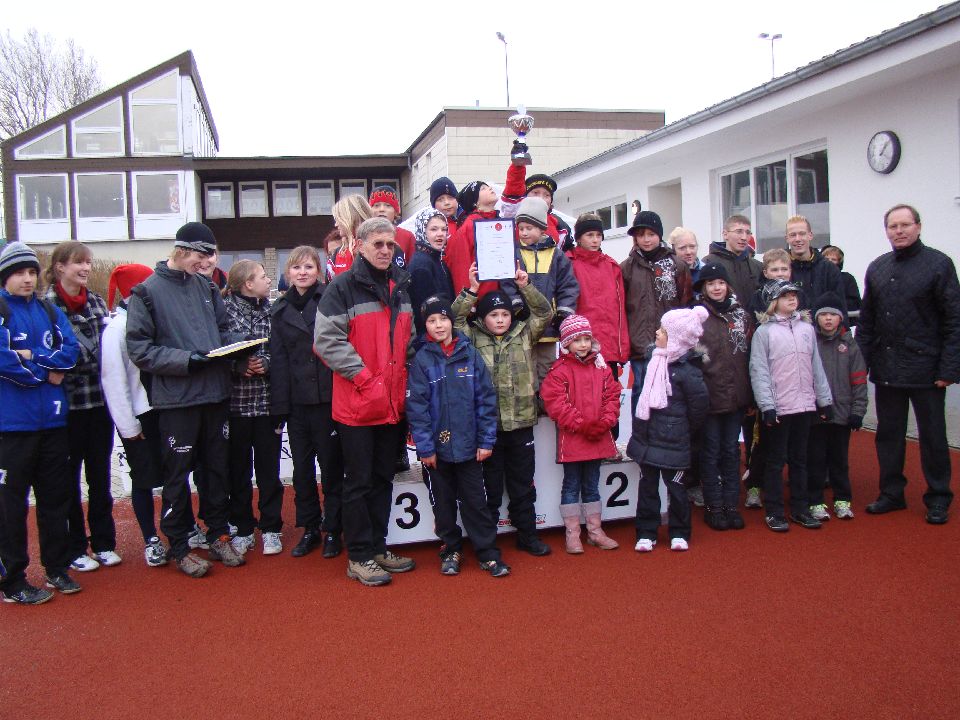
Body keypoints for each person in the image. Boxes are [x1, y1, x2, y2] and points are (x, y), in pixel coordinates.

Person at [126, 222, 248, 577]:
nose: (206, 263)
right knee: (177, 476)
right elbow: (140, 349)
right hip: (177, 399)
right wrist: (185, 360)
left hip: (215, 393)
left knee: (217, 470)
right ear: (181, 251)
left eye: (210, 256)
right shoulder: (146, 292)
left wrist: (242, 346)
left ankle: (218, 534)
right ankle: (179, 545)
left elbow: (221, 332)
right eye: (201, 256)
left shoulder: (206, 288)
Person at [314, 217, 417, 586]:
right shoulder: (340, 288)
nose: (385, 250)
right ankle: (358, 555)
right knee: (357, 482)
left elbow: (408, 339)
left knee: (382, 479)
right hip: (358, 405)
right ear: (359, 246)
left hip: (390, 404)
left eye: (390, 244)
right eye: (378, 244)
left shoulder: (400, 286)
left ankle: (377, 546)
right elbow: (327, 341)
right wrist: (365, 380)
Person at [858, 204, 960, 524]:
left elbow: (954, 320)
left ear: (918, 226)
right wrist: (861, 365)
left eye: (905, 225)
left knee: (933, 437)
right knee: (888, 435)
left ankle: (938, 497)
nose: (899, 231)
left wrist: (949, 369)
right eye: (893, 226)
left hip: (927, 369)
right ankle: (891, 494)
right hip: (887, 367)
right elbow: (867, 322)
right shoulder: (877, 267)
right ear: (886, 230)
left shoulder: (939, 264)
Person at [453, 263, 554, 557]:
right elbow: (454, 319)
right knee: (490, 488)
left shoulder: (525, 334)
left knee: (523, 485)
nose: (500, 320)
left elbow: (544, 313)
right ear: (483, 317)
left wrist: (525, 286)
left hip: (521, 424)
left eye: (505, 314)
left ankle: (527, 536)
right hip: (488, 430)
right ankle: (487, 543)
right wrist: (472, 291)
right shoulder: (472, 338)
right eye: (494, 315)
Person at [0, 242, 81, 604]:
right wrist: (45, 372)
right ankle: (13, 580)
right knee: (11, 507)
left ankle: (56, 567)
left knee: (54, 500)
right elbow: (4, 359)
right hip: (12, 427)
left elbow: (71, 353)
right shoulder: (2, 311)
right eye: (19, 273)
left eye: (32, 272)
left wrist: (34, 356)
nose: (27, 279)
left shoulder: (49, 310)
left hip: (52, 423)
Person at [406, 296, 509, 577]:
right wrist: (425, 448)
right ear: (425, 325)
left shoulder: (470, 354)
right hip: (436, 452)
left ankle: (487, 552)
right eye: (432, 320)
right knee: (443, 504)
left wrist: (486, 441)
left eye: (443, 318)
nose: (439, 325)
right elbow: (417, 409)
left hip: (469, 448)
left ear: (452, 321)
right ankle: (451, 549)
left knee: (476, 503)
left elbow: (486, 400)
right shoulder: (422, 360)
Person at [44, 241, 118, 573]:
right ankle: (75, 546)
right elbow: (55, 357)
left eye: (88, 262)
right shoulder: (46, 306)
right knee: (68, 480)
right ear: (60, 266)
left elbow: (107, 352)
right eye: (79, 262)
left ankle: (104, 542)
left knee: (100, 476)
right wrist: (72, 362)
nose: (86, 268)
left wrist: (74, 362)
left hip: (99, 403)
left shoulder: (98, 302)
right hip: (66, 408)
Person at [271, 246, 344, 559]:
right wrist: (280, 408)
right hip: (297, 404)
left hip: (328, 399)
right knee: (301, 471)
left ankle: (334, 528)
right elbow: (278, 361)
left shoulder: (330, 299)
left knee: (331, 468)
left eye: (309, 267)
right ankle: (310, 527)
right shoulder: (279, 309)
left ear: (318, 271)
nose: (302, 273)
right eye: (297, 267)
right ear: (288, 273)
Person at [749, 279, 833, 532]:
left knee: (800, 459)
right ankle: (774, 511)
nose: (792, 299)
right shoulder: (764, 333)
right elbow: (759, 371)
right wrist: (767, 405)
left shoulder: (807, 329)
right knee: (775, 461)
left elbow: (816, 366)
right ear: (773, 301)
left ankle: (800, 508)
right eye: (785, 295)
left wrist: (824, 400)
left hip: (804, 405)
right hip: (779, 407)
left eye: (794, 294)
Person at [101, 263, 169, 567]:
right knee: (143, 478)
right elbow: (114, 381)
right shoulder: (117, 329)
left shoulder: (156, 319)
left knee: (174, 475)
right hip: (140, 417)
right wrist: (128, 426)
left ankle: (177, 528)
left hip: (164, 410)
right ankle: (150, 539)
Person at [628, 307, 710, 552]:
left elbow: (698, 408)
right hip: (647, 437)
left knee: (677, 489)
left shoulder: (689, 371)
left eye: (663, 331)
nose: (657, 332)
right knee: (647, 487)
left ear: (675, 338)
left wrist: (679, 428)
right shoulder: (653, 360)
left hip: (675, 441)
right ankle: (646, 532)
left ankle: (679, 531)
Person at [541, 315, 621, 554]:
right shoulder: (559, 370)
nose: (583, 344)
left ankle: (595, 532)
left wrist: (605, 422)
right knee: (571, 485)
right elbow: (555, 403)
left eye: (587, 339)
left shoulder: (602, 368)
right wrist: (582, 425)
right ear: (567, 343)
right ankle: (573, 534)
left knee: (592, 485)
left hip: (597, 437)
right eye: (577, 340)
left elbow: (612, 396)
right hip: (574, 438)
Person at [222, 260, 284, 557]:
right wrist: (237, 366)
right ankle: (243, 527)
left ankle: (271, 528)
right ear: (248, 283)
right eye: (262, 276)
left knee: (269, 471)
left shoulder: (272, 312)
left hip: (266, 406)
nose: (268, 280)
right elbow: (214, 351)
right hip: (234, 407)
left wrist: (266, 364)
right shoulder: (223, 312)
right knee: (238, 472)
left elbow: (279, 350)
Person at [695, 263, 755, 531]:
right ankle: (714, 507)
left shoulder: (742, 315)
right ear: (704, 287)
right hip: (709, 397)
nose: (716, 288)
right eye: (711, 283)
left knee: (731, 451)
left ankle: (731, 505)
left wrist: (750, 395)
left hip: (737, 396)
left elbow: (751, 356)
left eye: (720, 282)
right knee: (710, 452)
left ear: (727, 285)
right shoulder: (696, 316)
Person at [566, 212, 629, 441]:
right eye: (589, 235)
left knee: (609, 398)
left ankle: (611, 443)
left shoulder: (611, 266)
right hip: (580, 345)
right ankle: (585, 446)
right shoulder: (569, 263)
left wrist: (622, 347)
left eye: (598, 235)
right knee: (583, 400)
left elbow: (620, 310)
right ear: (578, 238)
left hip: (607, 348)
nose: (594, 240)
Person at [505, 196, 580, 389]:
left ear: (541, 229)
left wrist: (563, 312)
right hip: (522, 325)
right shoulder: (514, 253)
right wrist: (516, 305)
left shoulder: (557, 255)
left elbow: (568, 286)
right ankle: (530, 404)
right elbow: (506, 283)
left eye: (529, 228)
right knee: (525, 370)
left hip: (548, 327)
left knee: (547, 369)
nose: (524, 233)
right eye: (521, 228)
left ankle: (545, 403)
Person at [621, 208, 692, 408]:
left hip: (670, 345)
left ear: (659, 235)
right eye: (641, 235)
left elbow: (686, 304)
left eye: (651, 234)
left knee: (669, 395)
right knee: (640, 391)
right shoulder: (626, 268)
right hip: (640, 346)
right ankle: (641, 429)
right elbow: (622, 308)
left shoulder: (677, 265)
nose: (646, 239)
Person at [807, 292, 867, 521]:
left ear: (841, 318)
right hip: (815, 413)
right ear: (817, 318)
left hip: (842, 413)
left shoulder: (850, 346)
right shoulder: (810, 342)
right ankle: (815, 501)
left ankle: (842, 499)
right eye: (824, 315)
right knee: (815, 459)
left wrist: (858, 411)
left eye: (833, 315)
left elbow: (859, 381)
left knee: (839, 460)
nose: (828, 319)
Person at [785, 216, 846, 316]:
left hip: (820, 326)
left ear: (810, 235)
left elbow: (840, 308)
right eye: (793, 235)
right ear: (787, 238)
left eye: (802, 234)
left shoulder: (829, 270)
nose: (798, 239)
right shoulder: (779, 270)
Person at [407, 207, 454, 337]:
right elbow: (424, 313)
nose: (440, 234)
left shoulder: (437, 259)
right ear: (422, 231)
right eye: (434, 229)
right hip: (431, 338)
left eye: (444, 229)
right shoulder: (421, 265)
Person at [703, 215, 764, 306]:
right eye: (739, 232)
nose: (744, 237)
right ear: (725, 234)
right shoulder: (708, 263)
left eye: (748, 233)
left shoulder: (758, 266)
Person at [523, 173, 575, 251]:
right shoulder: (513, 219)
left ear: (551, 201)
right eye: (535, 193)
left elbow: (568, 254)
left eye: (546, 195)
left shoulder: (561, 226)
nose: (541, 198)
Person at [329, 195, 374, 277]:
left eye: (338, 219)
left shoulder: (379, 247)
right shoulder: (339, 253)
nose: (336, 224)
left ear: (350, 218)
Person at [820, 245, 862, 328]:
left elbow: (855, 303)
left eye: (833, 259)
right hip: (819, 323)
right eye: (827, 259)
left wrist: (834, 304)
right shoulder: (817, 278)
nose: (830, 262)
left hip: (843, 323)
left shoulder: (847, 278)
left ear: (839, 262)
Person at [369, 185, 415, 261]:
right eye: (376, 205)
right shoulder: (364, 235)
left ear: (396, 212)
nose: (381, 209)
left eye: (388, 205)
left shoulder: (407, 237)